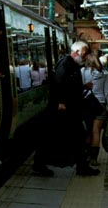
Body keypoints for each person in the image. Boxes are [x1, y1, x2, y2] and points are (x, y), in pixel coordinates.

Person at [33, 40, 98, 176]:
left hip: (70, 109)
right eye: (84, 54)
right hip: (62, 109)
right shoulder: (65, 64)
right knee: (53, 137)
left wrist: (84, 87)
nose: (85, 57)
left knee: (75, 137)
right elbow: (59, 83)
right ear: (77, 52)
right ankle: (40, 165)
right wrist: (61, 102)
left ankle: (81, 166)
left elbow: (70, 86)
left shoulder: (72, 65)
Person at [81, 53, 108, 167]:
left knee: (88, 131)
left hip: (87, 104)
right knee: (96, 132)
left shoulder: (82, 72)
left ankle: (87, 155)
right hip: (100, 104)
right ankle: (94, 158)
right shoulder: (105, 74)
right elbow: (107, 92)